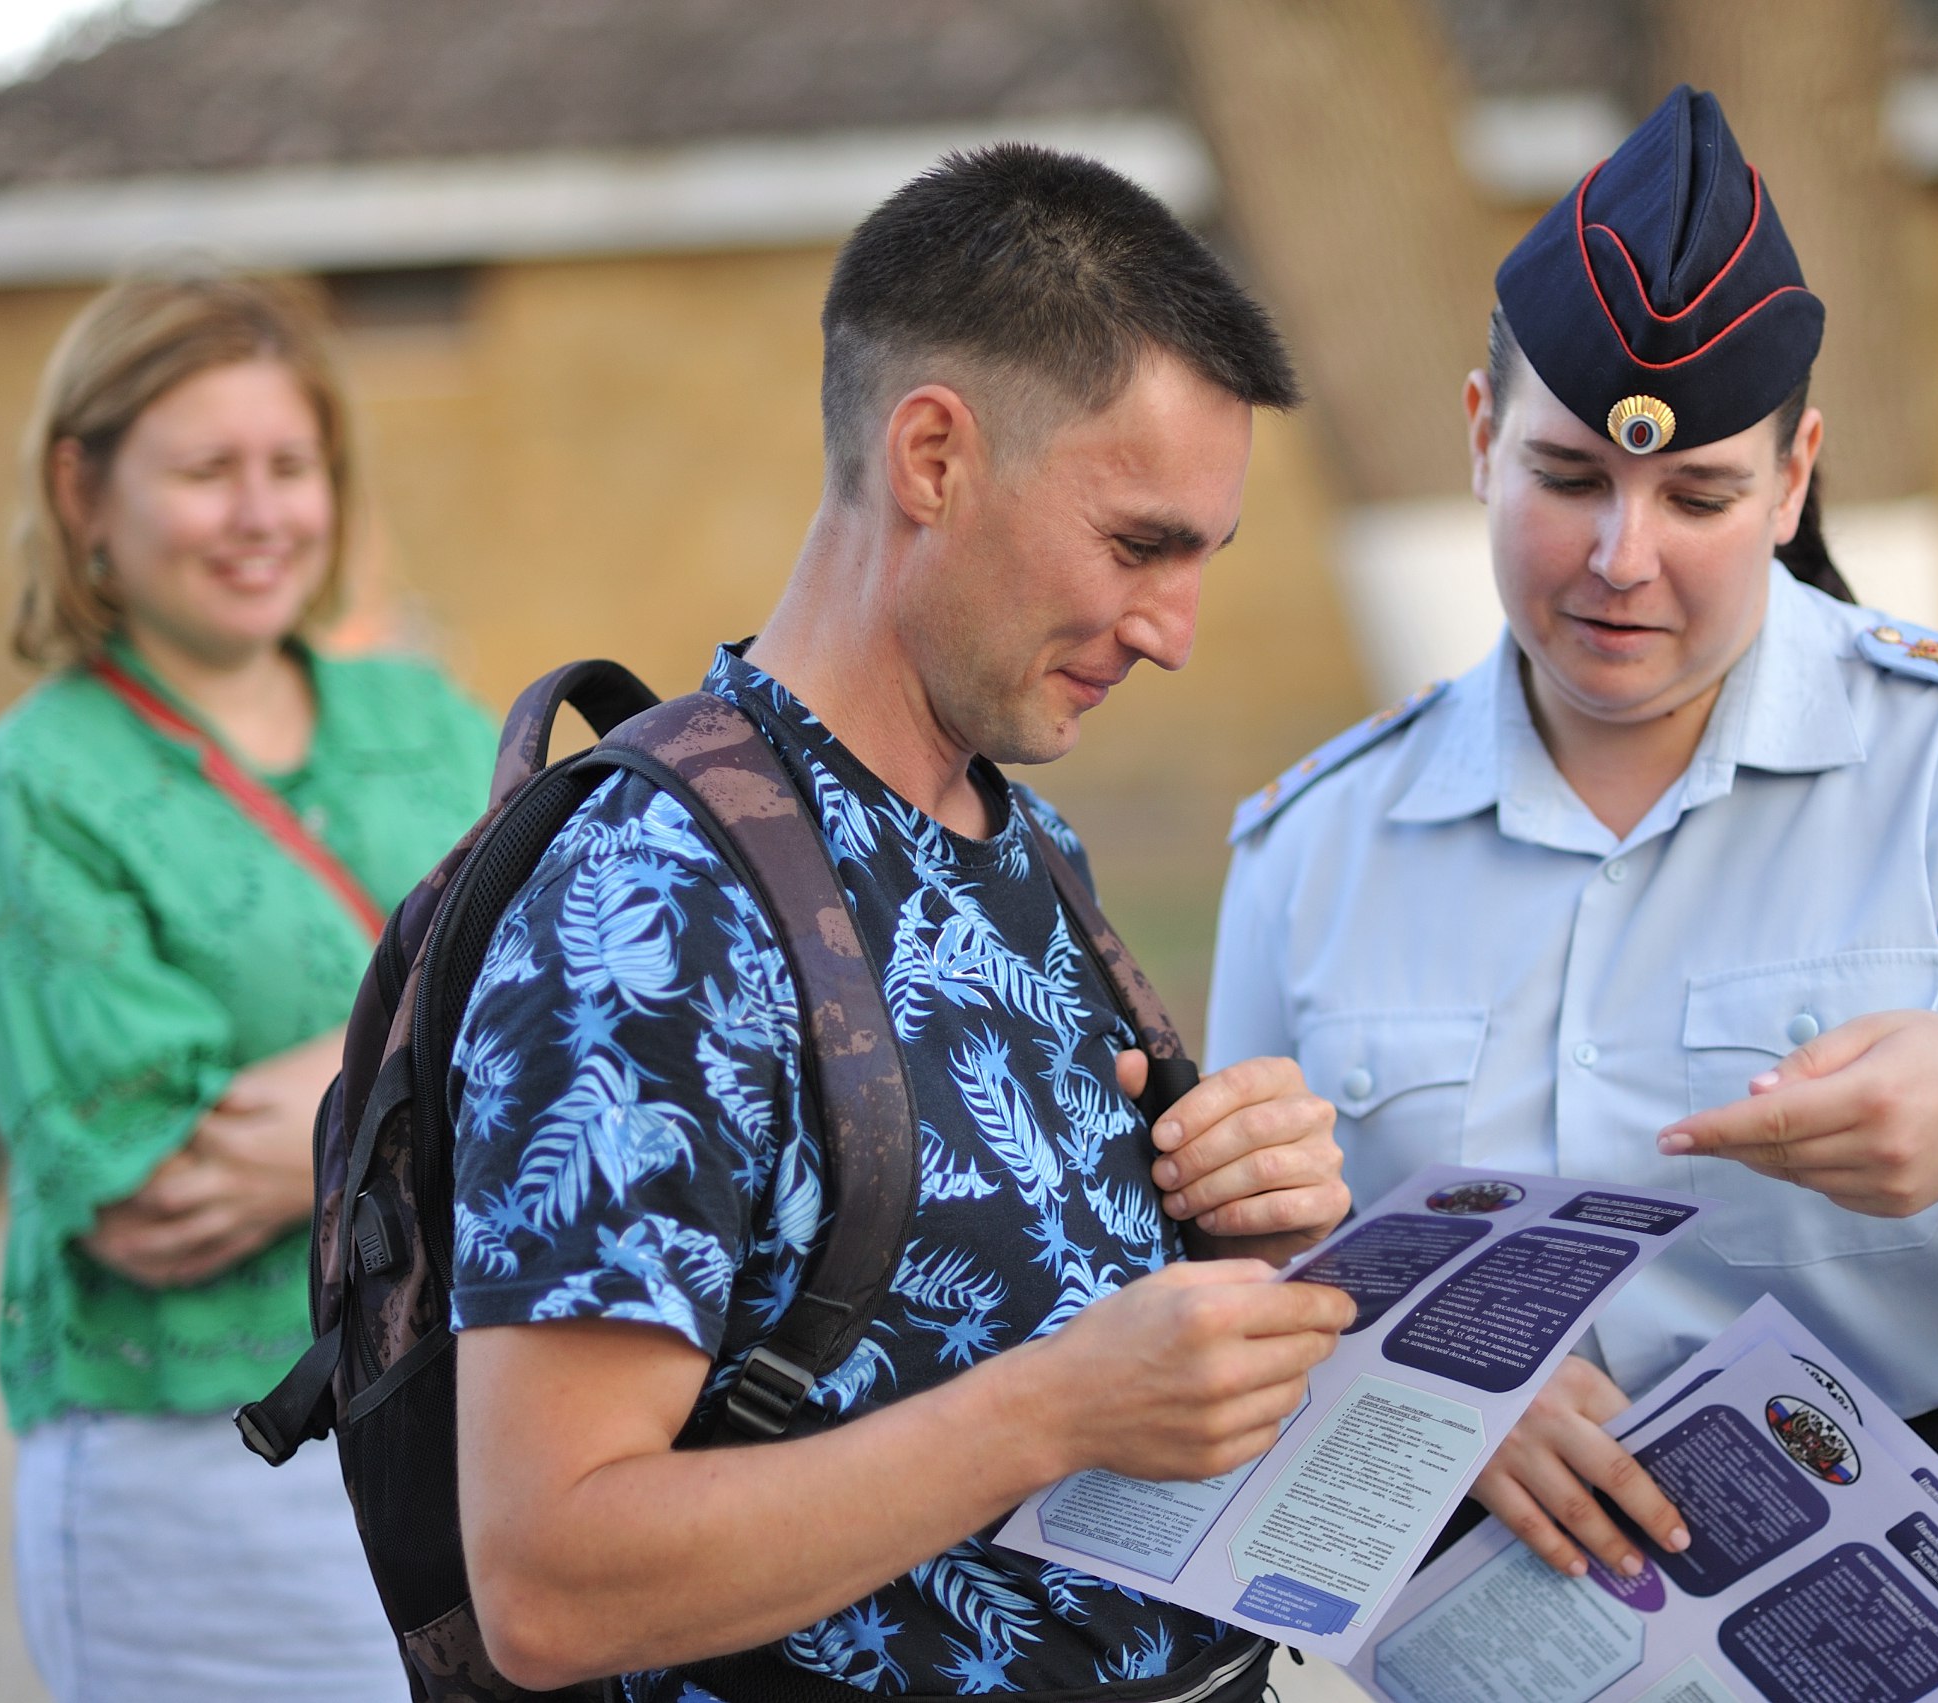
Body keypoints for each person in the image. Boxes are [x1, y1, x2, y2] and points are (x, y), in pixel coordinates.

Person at [1208, 87, 1938, 1701]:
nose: (1624, 554)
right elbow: (1242, 1276)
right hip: (1522, 1630)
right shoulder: (1317, 842)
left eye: (1698, 495)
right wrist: (1408, 1379)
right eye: (1566, 475)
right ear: (1479, 431)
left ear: (1796, 475)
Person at [444, 145, 1353, 1703]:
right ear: (933, 455)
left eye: (1203, 560)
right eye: (1139, 544)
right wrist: (1053, 1409)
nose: (1175, 634)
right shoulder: (655, 901)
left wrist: (1244, 1236)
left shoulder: (1023, 836)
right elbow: (549, 1576)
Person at [0, 268, 494, 1700]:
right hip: (212, 1478)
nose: (262, 512)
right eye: (206, 470)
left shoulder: (424, 717)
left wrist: (337, 1092)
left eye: (291, 466)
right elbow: (153, 1192)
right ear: (83, 488)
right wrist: (462, 1038)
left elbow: (602, 1001)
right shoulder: (33, 788)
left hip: (484, 1430)